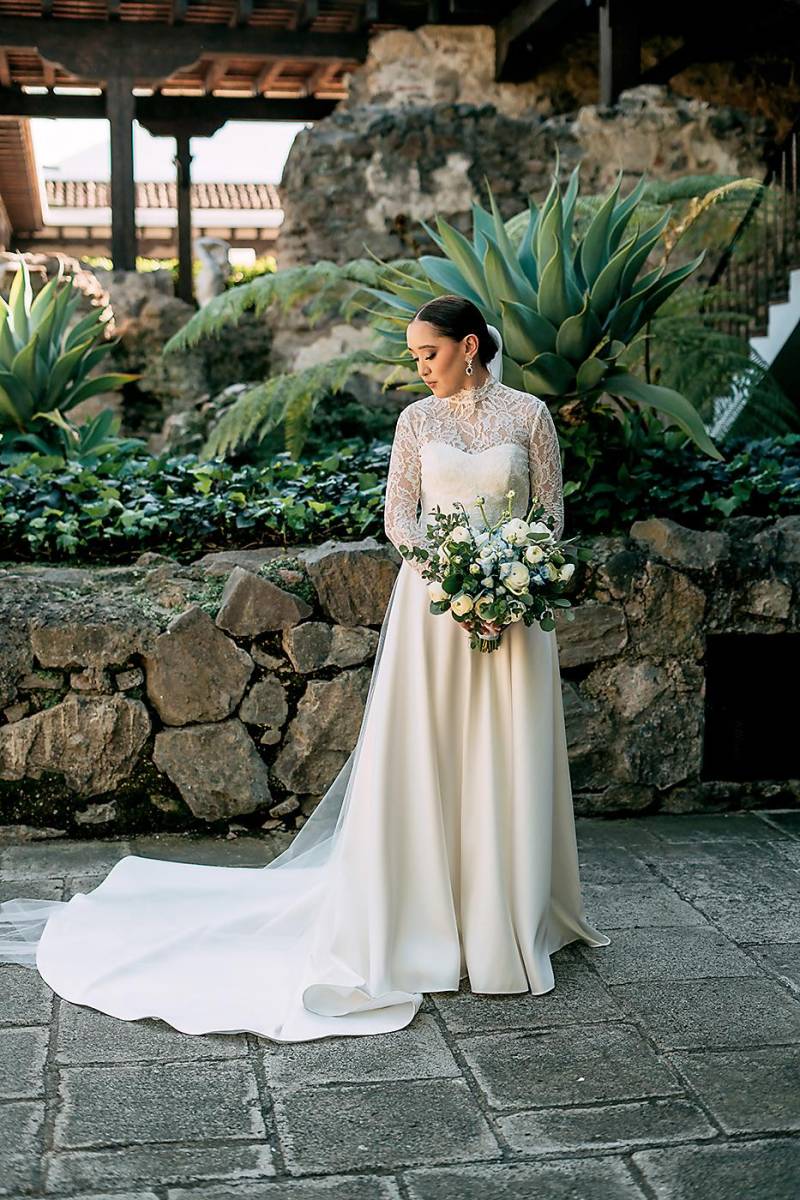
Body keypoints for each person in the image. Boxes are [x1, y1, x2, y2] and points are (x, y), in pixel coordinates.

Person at [0, 294, 609, 1042]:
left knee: (505, 756)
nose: (420, 368)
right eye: (415, 356)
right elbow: (400, 518)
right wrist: (457, 579)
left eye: (431, 353)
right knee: (435, 756)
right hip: (439, 614)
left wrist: (513, 574)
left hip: (514, 613)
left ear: (472, 346)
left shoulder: (530, 417)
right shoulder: (416, 423)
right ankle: (428, 916)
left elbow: (549, 513)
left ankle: (506, 920)